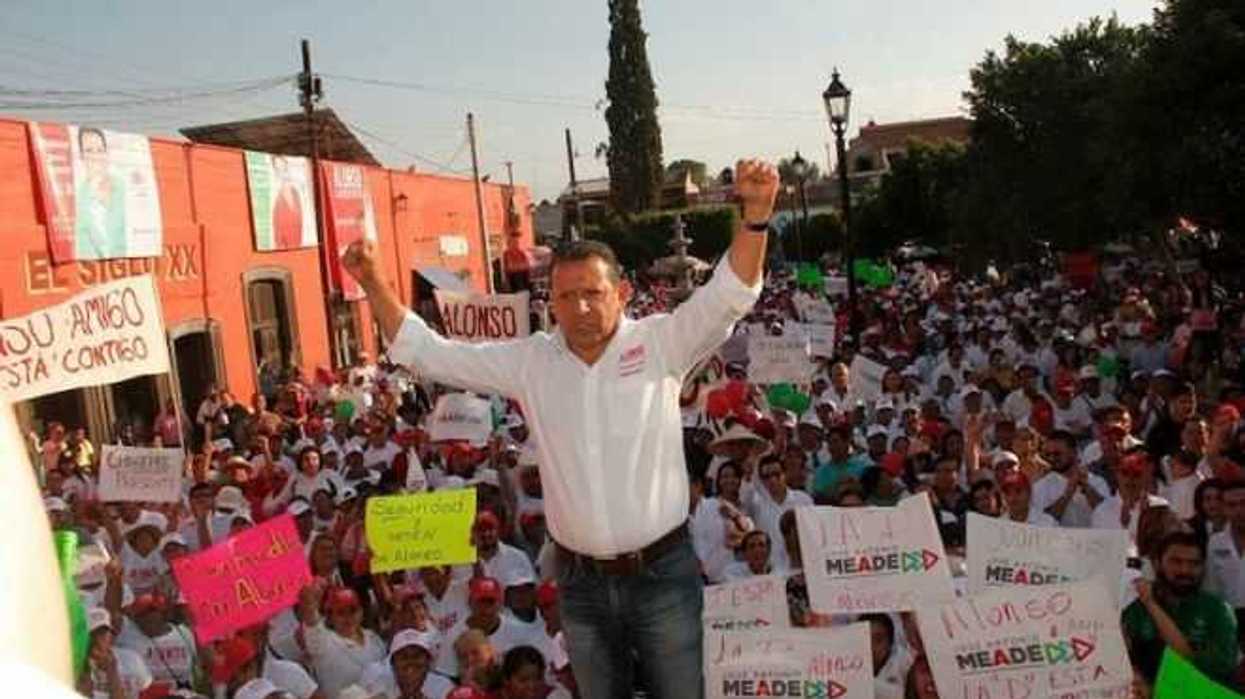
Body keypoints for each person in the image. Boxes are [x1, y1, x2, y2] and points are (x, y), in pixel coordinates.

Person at [343, 158, 780, 698]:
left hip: (663, 575)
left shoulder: (661, 343)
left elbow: (727, 296)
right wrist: (374, 283)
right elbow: (432, 355)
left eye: (593, 293)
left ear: (620, 295)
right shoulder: (532, 361)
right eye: (566, 296)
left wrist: (755, 218)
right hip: (580, 586)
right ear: (551, 304)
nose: (580, 308)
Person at [1122, 530, 1239, 684]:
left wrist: (1151, 605)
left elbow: (1193, 665)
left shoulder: (1218, 611)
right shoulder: (1136, 607)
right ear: (1157, 563)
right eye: (1176, 562)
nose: (1185, 570)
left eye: (1194, 564)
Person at [74, 127, 128, 259]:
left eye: (99, 150)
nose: (95, 156)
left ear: (106, 153)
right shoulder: (78, 199)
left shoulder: (122, 186)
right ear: (81, 156)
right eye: (89, 151)